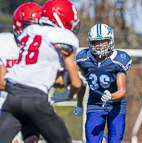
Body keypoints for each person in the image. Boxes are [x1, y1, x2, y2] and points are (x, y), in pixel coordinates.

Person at [0, 0, 81, 142]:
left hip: (12, 99)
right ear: (61, 18)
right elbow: (76, 83)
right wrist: (69, 93)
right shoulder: (63, 37)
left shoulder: (30, 32)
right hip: (35, 100)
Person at [74, 23, 132, 143]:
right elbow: (81, 85)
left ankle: (105, 139)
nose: (100, 45)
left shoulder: (118, 60)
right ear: (91, 43)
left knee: (115, 140)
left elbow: (122, 91)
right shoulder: (84, 59)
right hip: (95, 103)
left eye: (104, 41)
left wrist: (111, 97)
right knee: (92, 140)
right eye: (97, 42)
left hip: (116, 104)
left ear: (110, 41)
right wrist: (79, 104)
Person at [0, 2, 42, 143]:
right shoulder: (5, 43)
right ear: (17, 25)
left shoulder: (43, 47)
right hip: (5, 103)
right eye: (28, 26)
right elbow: (1, 82)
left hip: (31, 103)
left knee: (33, 139)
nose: (33, 31)